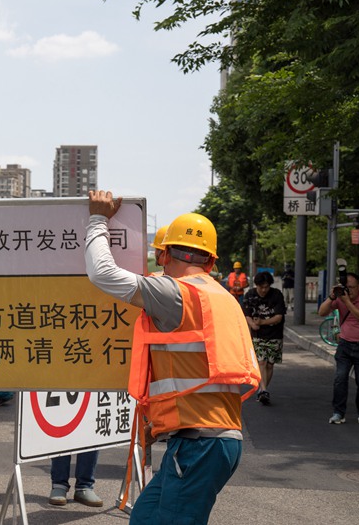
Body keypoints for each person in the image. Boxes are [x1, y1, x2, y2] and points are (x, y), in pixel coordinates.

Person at [85, 191, 260, 525]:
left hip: (199, 446)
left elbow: (102, 274)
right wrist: (162, 423)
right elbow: (199, 374)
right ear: (211, 262)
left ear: (164, 255)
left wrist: (97, 219)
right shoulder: (222, 298)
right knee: (145, 517)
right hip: (208, 440)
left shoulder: (175, 293)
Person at [319, 272, 359, 425]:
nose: (348, 290)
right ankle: (338, 412)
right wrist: (331, 297)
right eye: (346, 287)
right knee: (340, 378)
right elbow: (322, 312)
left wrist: (347, 302)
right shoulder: (340, 298)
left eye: (351, 287)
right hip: (345, 345)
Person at [242, 271, 286, 406]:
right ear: (256, 285)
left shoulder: (277, 295)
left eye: (266, 287)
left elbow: (278, 317)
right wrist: (252, 324)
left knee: (270, 364)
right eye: (261, 287)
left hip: (275, 334)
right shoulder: (250, 295)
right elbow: (246, 314)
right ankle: (264, 390)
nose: (264, 290)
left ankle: (262, 390)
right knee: (261, 362)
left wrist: (262, 322)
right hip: (258, 335)